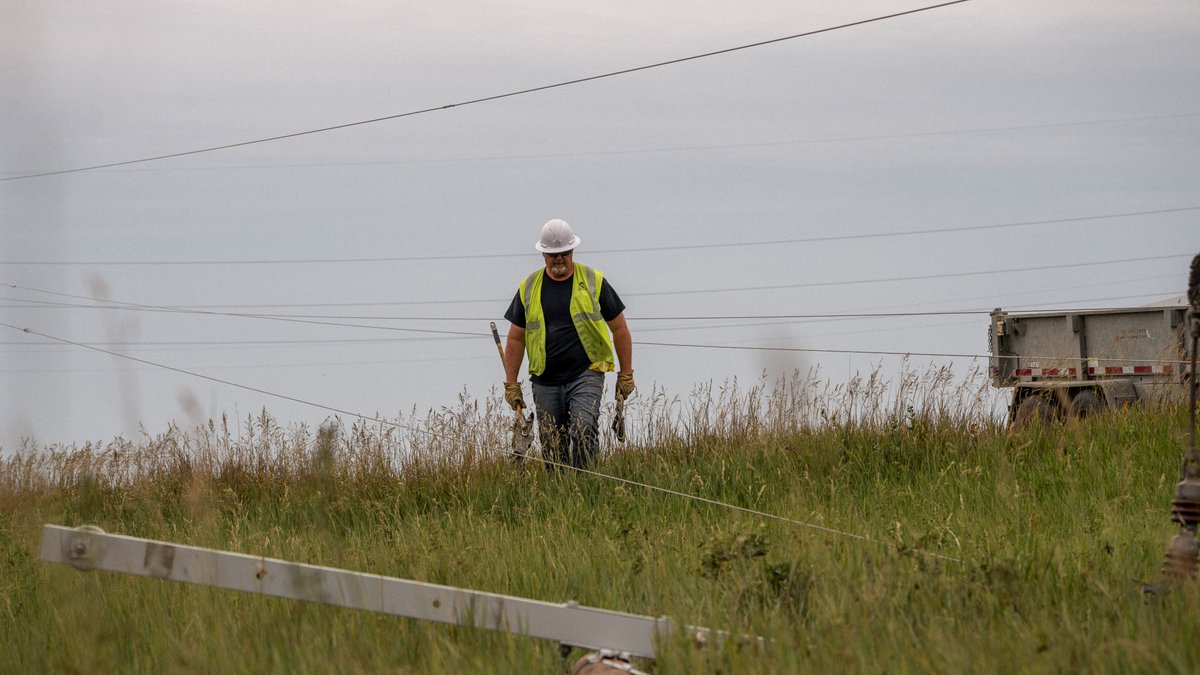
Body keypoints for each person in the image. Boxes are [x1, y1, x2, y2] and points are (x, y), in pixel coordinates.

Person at [502, 219, 634, 469]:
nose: (558, 259)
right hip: (544, 379)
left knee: (584, 428)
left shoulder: (594, 281)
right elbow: (516, 338)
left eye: (563, 254)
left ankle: (585, 484)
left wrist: (626, 374)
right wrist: (511, 384)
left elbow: (620, 329)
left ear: (572, 252)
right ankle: (560, 492)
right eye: (552, 255)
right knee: (552, 442)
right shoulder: (528, 287)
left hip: (586, 372)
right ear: (543, 255)